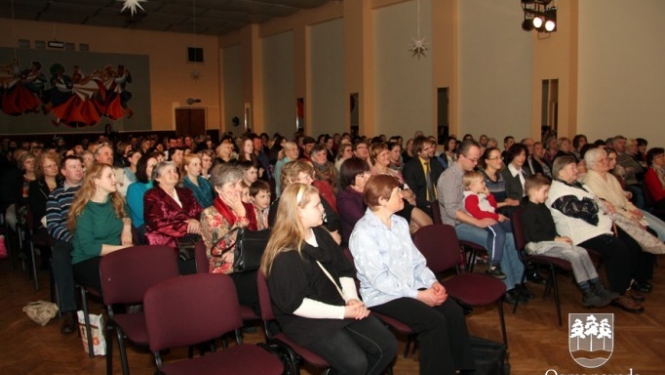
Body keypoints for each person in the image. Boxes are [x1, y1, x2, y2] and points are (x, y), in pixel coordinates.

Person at [261, 183, 396, 375]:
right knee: (356, 364)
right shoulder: (285, 254)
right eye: (317, 206)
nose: (323, 209)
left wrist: (352, 298)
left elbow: (344, 269)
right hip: (305, 320)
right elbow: (296, 305)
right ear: (298, 212)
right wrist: (344, 311)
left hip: (339, 304)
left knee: (387, 346)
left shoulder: (320, 234)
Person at [349, 175, 474, 375]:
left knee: (453, 311)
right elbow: (379, 280)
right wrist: (419, 295)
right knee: (433, 322)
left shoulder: (399, 223)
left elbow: (416, 262)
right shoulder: (364, 232)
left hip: (409, 286)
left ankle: (462, 367)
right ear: (382, 200)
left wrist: (432, 282)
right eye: (397, 192)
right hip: (382, 295)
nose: (403, 196)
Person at [546, 155, 649, 313]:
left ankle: (625, 287)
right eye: (572, 168)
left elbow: (593, 199)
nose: (577, 170)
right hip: (580, 234)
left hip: (596, 229)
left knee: (632, 243)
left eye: (576, 166)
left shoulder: (576, 185)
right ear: (560, 173)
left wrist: (601, 202)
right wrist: (600, 204)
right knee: (618, 250)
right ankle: (618, 294)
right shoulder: (557, 192)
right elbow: (585, 211)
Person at [438, 140, 527, 304]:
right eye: (472, 159)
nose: (475, 162)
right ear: (461, 156)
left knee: (511, 236)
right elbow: (452, 211)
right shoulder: (450, 177)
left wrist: (490, 215)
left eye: (477, 159)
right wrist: (479, 222)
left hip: (472, 218)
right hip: (456, 225)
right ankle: (506, 288)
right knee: (498, 239)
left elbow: (481, 203)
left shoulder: (469, 173)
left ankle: (518, 281)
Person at [521, 174, 617, 307]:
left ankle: (598, 288)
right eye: (545, 192)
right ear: (533, 192)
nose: (547, 195)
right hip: (537, 245)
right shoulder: (528, 211)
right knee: (573, 255)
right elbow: (535, 235)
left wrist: (558, 237)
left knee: (582, 251)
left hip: (550, 242)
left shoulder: (543, 207)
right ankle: (587, 293)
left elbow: (550, 228)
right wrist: (556, 239)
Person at [200, 164, 261, 313]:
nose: (239, 188)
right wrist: (240, 218)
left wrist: (240, 252)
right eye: (233, 185)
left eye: (239, 183)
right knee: (265, 284)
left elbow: (259, 241)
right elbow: (221, 248)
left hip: (250, 265)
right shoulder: (210, 214)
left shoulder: (250, 209)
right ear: (218, 189)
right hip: (227, 274)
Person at [67, 163, 133, 292]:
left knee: (141, 267)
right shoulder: (85, 210)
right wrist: (122, 249)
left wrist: (126, 227)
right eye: (110, 176)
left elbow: (127, 213)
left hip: (112, 256)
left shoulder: (115, 200)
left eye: (114, 175)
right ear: (95, 181)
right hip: (87, 260)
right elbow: (89, 248)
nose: (115, 180)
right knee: (120, 275)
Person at [584, 147, 665, 242]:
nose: (607, 162)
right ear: (592, 164)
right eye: (602, 160)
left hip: (624, 212)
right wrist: (630, 216)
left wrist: (634, 210)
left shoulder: (610, 177)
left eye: (606, 159)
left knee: (652, 231)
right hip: (613, 218)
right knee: (650, 234)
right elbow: (608, 206)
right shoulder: (590, 181)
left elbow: (624, 200)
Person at [45, 155, 84, 334]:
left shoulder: (91, 190)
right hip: (69, 237)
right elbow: (53, 226)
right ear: (63, 172)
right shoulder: (56, 195)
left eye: (80, 166)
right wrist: (74, 240)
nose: (78, 169)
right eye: (73, 166)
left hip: (92, 235)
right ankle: (69, 310)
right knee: (60, 255)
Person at [268, 160, 342, 244]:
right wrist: (327, 237)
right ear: (292, 181)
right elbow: (291, 239)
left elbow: (334, 218)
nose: (311, 180)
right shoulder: (278, 208)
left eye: (310, 177)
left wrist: (334, 233)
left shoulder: (313, 196)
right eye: (306, 177)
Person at [463, 171, 510, 279]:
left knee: (513, 226)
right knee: (499, 234)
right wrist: (496, 217)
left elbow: (493, 206)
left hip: (491, 218)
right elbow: (477, 213)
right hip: (484, 220)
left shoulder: (480, 195)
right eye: (482, 182)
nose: (484, 184)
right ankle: (493, 264)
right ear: (471, 186)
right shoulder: (470, 197)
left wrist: (489, 196)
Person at [144, 161, 203, 248]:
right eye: (169, 171)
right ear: (157, 178)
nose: (174, 174)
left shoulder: (186, 192)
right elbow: (157, 222)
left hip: (193, 235)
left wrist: (198, 223)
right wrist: (187, 226)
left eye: (175, 171)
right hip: (166, 238)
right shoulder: (152, 195)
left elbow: (199, 211)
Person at [28, 152, 60, 269]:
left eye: (55, 165)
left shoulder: (63, 183)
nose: (53, 168)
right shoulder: (36, 186)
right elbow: (37, 209)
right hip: (44, 222)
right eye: (49, 166)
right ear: (41, 169)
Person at [402, 136, 444, 218]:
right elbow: (412, 193)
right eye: (426, 149)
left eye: (431, 147)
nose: (431, 150)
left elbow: (442, 186)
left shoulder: (437, 165)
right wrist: (430, 204)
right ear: (418, 152)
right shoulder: (410, 167)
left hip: (439, 205)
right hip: (421, 207)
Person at [336, 158, 372, 245]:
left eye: (368, 172)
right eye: (362, 175)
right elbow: (363, 221)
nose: (367, 177)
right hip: (359, 240)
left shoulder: (371, 190)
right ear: (350, 177)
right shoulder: (344, 198)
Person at [126, 153, 158, 242]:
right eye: (152, 166)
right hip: (143, 226)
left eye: (157, 166)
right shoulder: (133, 188)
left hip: (161, 223)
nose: (156, 169)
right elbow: (142, 215)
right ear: (143, 169)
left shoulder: (160, 186)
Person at [644, 147, 665, 217]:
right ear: (652, 160)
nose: (662, 158)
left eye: (663, 155)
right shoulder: (651, 173)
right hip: (660, 200)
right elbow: (659, 192)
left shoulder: (663, 170)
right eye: (658, 157)